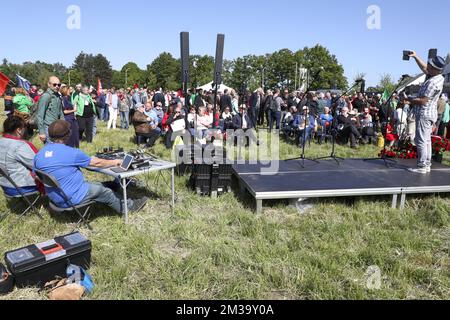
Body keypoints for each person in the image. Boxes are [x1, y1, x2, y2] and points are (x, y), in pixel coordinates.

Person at [34, 120, 147, 214]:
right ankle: (130, 207)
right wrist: (115, 161)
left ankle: (117, 187)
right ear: (68, 135)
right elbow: (96, 163)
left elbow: (37, 177)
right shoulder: (72, 153)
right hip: (71, 197)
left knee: (96, 184)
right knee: (105, 192)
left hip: (55, 197)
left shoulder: (39, 154)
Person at [406, 52, 446, 174]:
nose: (428, 65)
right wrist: (415, 56)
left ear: (435, 68)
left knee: (421, 140)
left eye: (430, 65)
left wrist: (409, 99)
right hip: (430, 113)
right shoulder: (438, 77)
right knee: (427, 140)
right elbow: (424, 68)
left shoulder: (432, 83)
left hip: (424, 114)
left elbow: (423, 101)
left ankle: (422, 166)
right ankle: (426, 164)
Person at [0, 116, 42, 197]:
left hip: (5, 185)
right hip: (21, 187)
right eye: (24, 127)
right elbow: (38, 164)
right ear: (18, 130)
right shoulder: (19, 145)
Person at [36, 76, 65, 143]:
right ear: (49, 84)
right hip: (48, 128)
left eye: (59, 85)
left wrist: (64, 125)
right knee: (50, 150)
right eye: (54, 84)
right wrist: (41, 132)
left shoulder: (58, 96)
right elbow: (40, 115)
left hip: (57, 127)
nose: (57, 86)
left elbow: (60, 112)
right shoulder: (46, 96)